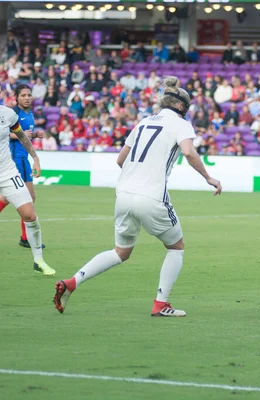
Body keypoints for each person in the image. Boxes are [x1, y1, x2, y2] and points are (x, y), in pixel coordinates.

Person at [53, 77, 222, 317]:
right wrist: (208, 177)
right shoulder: (180, 123)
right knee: (176, 247)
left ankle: (72, 282)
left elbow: (120, 159)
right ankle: (160, 303)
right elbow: (188, 151)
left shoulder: (143, 122)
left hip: (123, 194)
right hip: (152, 196)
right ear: (182, 107)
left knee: (120, 252)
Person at [0, 105, 54, 276]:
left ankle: (38, 260)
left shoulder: (8, 114)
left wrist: (35, 157)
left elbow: (22, 136)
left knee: (30, 215)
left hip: (7, 172)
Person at [0, 85, 45, 248]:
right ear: (16, 97)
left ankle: (25, 237)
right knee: (24, 197)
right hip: (15, 158)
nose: (27, 98)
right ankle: (25, 238)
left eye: (29, 95)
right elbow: (9, 134)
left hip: (24, 158)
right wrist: (20, 135)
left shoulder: (30, 114)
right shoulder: (12, 114)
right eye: (23, 95)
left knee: (21, 197)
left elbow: (25, 135)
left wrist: (36, 134)